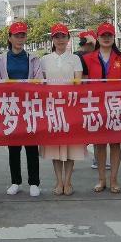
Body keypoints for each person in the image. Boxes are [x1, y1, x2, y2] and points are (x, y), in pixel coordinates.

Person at [0, 20, 44, 196]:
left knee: (31, 146)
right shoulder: (1, 59)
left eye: (22, 35)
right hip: (11, 106)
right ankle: (15, 181)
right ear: (10, 38)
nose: (20, 38)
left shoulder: (33, 58)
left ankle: (34, 183)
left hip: (29, 106)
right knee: (13, 147)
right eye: (16, 35)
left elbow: (38, 80)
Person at [81, 22, 121, 194]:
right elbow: (83, 84)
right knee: (100, 144)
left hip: (116, 106)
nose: (106, 38)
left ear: (114, 37)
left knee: (115, 144)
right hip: (96, 105)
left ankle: (113, 179)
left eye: (109, 35)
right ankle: (101, 179)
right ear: (98, 38)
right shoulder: (87, 58)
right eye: (103, 35)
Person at [39, 24, 85, 196]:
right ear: (52, 39)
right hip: (52, 108)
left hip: (71, 108)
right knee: (55, 147)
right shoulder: (44, 60)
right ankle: (59, 181)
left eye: (63, 36)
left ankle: (68, 181)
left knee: (71, 147)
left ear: (68, 39)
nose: (60, 40)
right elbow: (42, 84)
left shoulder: (75, 59)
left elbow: (78, 83)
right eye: (57, 37)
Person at [76, 30, 104, 171]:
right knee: (90, 130)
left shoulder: (80, 55)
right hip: (87, 97)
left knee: (91, 130)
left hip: (91, 97)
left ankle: (96, 159)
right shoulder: (82, 57)